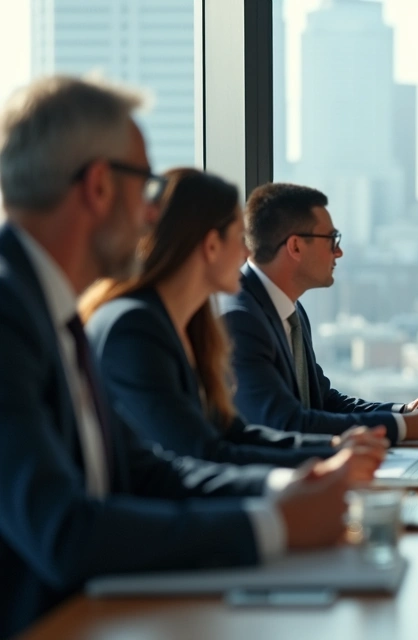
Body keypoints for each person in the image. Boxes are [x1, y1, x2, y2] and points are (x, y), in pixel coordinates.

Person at [0, 76, 352, 638]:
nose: (149, 216)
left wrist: (284, 490)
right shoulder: (13, 316)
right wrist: (272, 526)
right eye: (144, 187)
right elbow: (63, 531)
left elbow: (144, 471)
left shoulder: (52, 312)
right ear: (97, 186)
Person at [80, 168, 388, 475]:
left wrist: (336, 450)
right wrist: (318, 468)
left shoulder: (192, 325)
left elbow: (233, 433)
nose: (247, 252)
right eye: (240, 238)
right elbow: (202, 454)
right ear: (211, 245)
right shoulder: (134, 329)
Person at [220, 182, 418, 443]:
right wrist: (404, 427)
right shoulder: (241, 319)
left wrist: (404, 411)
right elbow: (285, 423)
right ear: (295, 247)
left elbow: (323, 402)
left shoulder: (292, 311)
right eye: (332, 239)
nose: (339, 252)